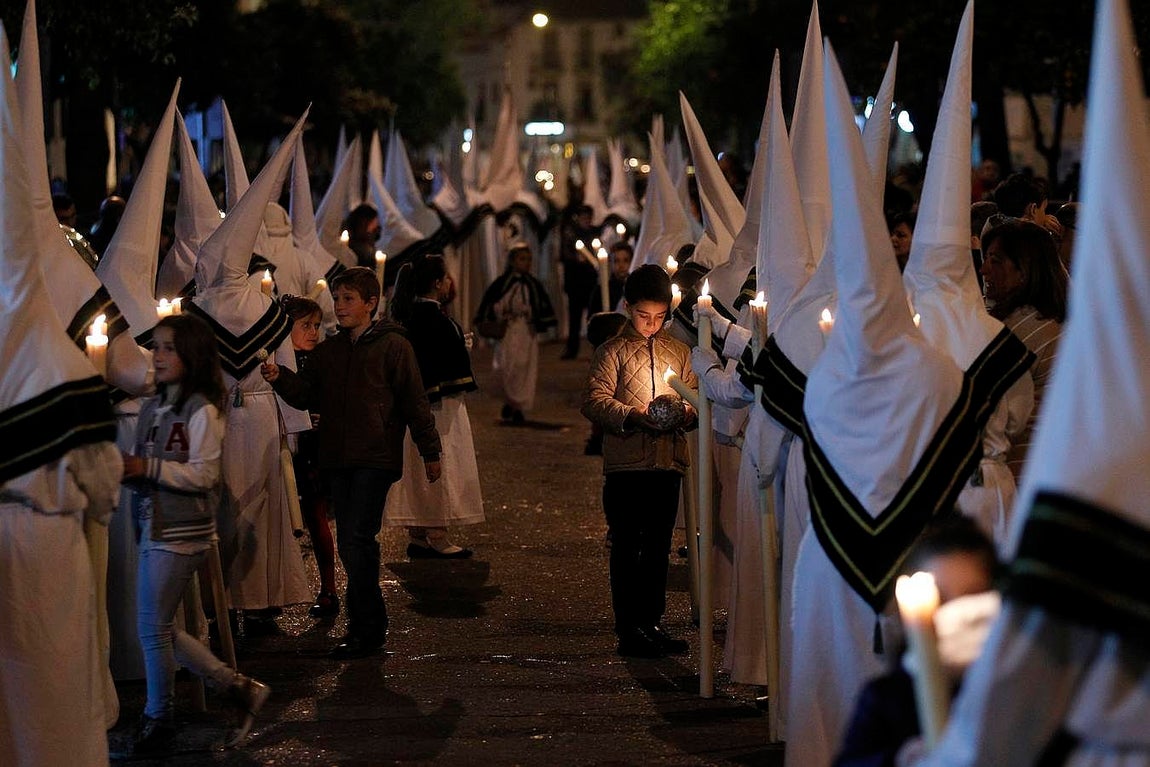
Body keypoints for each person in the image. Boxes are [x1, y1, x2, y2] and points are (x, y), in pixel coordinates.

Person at [263, 266, 442, 659]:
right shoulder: (332, 350)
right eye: (337, 298)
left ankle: (366, 627)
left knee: (355, 539)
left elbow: (414, 400)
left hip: (374, 456)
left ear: (371, 303)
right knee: (353, 541)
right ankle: (367, 625)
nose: (339, 306)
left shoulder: (394, 347)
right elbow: (310, 394)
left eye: (348, 299)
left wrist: (431, 450)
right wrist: (280, 378)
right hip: (338, 457)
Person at [120, 314, 270, 756]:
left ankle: (158, 717)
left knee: (151, 628)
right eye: (156, 347)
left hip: (183, 529)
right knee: (158, 626)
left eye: (169, 348)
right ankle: (238, 688)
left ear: (192, 355)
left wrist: (147, 469)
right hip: (155, 522)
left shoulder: (201, 410)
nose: (159, 356)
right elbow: (145, 458)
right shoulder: (154, 405)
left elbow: (203, 474)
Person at [582, 264, 698, 658]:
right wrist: (632, 416)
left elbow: (696, 399)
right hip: (626, 467)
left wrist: (684, 413)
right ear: (629, 308)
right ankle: (628, 627)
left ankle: (652, 622)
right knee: (628, 545)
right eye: (644, 316)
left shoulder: (679, 352)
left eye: (660, 317)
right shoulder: (612, 351)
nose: (651, 325)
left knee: (659, 547)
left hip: (666, 463)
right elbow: (595, 400)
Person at [835, 517, 1006, 767]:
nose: (956, 615)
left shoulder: (1014, 688)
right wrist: (896, 760)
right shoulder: (887, 698)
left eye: (972, 597)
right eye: (941, 600)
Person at [386, 254, 484, 559]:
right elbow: (437, 364)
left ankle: (418, 533)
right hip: (439, 410)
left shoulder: (409, 317)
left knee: (416, 466)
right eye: (446, 278)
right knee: (442, 463)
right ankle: (437, 533)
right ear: (438, 283)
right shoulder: (434, 320)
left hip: (415, 410)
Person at [979, 220, 1067, 479]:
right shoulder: (1045, 320)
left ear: (1024, 271)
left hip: (1023, 467)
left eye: (995, 261)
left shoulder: (1023, 330)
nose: (983, 270)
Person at [281, 295, 339, 618]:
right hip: (285, 450)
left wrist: (320, 415)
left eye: (317, 326)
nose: (314, 332)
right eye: (306, 326)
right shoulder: (282, 362)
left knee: (317, 518)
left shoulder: (320, 361)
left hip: (311, 452)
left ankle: (328, 587)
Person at [474, 242, 558, 424]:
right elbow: (492, 304)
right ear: (512, 261)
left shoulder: (533, 285)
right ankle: (509, 401)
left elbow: (540, 308)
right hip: (509, 332)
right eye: (522, 259)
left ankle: (519, 406)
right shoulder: (502, 284)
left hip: (526, 332)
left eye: (528, 259)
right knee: (507, 365)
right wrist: (502, 310)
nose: (526, 263)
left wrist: (530, 312)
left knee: (524, 367)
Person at [559, 204, 599, 359]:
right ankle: (572, 348)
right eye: (584, 218)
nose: (586, 221)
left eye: (588, 218)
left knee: (594, 317)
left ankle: (597, 347)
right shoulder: (570, 233)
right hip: (575, 282)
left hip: (590, 282)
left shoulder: (594, 233)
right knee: (574, 318)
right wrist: (576, 258)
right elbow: (565, 254)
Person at [588, 240, 632, 314]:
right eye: (616, 261)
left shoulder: (634, 289)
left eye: (625, 260)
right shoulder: (601, 290)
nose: (621, 265)